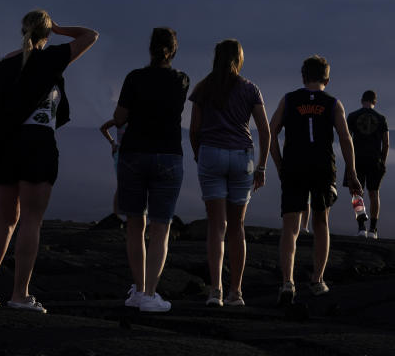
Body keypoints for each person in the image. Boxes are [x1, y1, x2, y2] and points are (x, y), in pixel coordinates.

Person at [0, 10, 98, 313]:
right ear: (47, 33)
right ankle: (19, 294)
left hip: (4, 145)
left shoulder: (3, 64)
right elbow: (90, 36)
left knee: (4, 219)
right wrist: (59, 28)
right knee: (31, 220)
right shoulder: (50, 58)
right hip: (38, 145)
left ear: (23, 30)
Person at [269, 55, 361, 304]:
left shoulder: (289, 100)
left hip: (294, 166)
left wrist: (279, 165)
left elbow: (271, 131)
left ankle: (287, 282)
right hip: (322, 167)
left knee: (290, 227)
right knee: (321, 222)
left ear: (303, 77)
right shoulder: (333, 103)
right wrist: (351, 172)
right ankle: (317, 280)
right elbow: (345, 138)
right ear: (327, 79)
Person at [113, 27, 189, 313]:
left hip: (133, 154)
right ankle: (150, 293)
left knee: (135, 225)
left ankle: (138, 290)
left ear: (150, 49)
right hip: (168, 155)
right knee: (160, 228)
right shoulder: (181, 80)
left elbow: (120, 117)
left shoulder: (134, 78)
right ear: (173, 51)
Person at [189, 39, 270, 307]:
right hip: (242, 158)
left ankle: (215, 291)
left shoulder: (203, 88)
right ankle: (236, 292)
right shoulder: (250, 89)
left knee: (216, 226)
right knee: (237, 227)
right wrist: (261, 166)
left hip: (211, 153)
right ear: (239, 59)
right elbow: (265, 131)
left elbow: (194, 129)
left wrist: (199, 155)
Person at [345, 90, 389, 239]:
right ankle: (373, 229)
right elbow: (386, 143)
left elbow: (347, 140)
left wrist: (348, 162)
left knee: (357, 193)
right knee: (374, 193)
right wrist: (382, 161)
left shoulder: (352, 116)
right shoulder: (381, 118)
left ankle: (361, 227)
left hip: (356, 159)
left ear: (361, 100)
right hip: (374, 160)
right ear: (374, 102)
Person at [99, 118, 124, 216]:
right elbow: (103, 128)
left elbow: (103, 128)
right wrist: (112, 143)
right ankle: (116, 215)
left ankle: (121, 216)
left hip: (130, 154)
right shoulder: (122, 119)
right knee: (122, 185)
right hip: (122, 154)